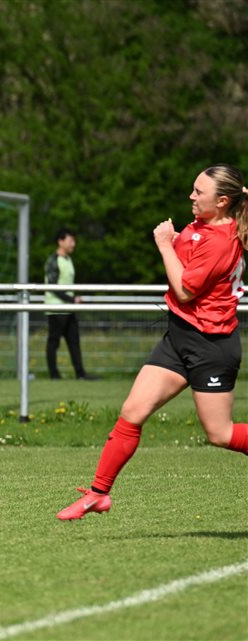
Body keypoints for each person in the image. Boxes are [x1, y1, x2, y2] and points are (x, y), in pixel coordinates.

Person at [57, 164, 247, 521]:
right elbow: (185, 266)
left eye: (199, 192)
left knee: (220, 434)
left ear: (222, 201)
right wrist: (174, 242)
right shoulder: (200, 225)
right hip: (179, 337)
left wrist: (163, 244)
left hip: (211, 346)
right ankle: (98, 494)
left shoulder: (222, 240)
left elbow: (185, 290)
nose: (191, 196)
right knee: (132, 412)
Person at [44, 228, 94, 380]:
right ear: (60, 241)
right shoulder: (53, 260)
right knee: (54, 342)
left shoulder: (68, 260)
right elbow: (52, 286)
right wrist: (72, 300)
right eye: (70, 240)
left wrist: (72, 300)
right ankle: (54, 375)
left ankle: (80, 374)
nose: (73, 244)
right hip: (56, 308)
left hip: (69, 308)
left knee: (74, 341)